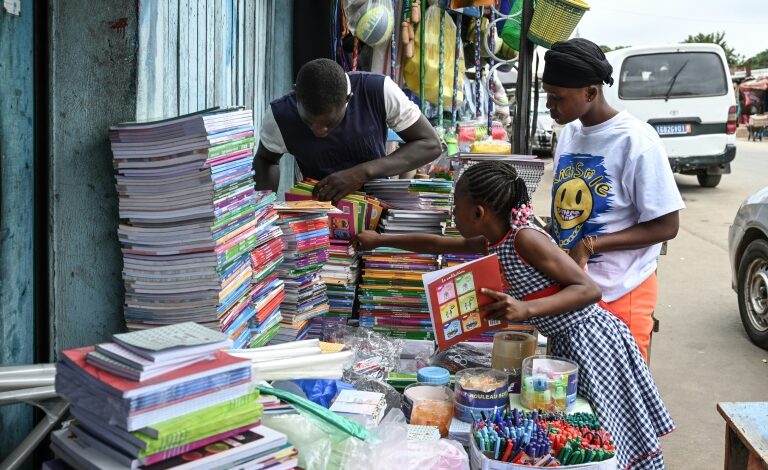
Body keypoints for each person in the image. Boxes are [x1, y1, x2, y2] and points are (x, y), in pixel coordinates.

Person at [355, 161, 674, 469]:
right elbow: (438, 242)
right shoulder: (496, 240)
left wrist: (525, 309)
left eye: (456, 209)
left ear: (479, 213)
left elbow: (588, 290)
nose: (453, 216)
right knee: (581, 430)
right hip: (567, 339)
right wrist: (382, 240)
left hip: (592, 338)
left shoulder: (524, 238)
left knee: (608, 426)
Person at [543, 38, 685, 362]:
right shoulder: (569, 133)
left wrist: (591, 244)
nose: (550, 106)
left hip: (621, 292)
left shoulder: (635, 140)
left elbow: (667, 225)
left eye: (557, 97)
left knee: (623, 400)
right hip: (572, 292)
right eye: (547, 95)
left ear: (590, 92)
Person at [255, 58, 441, 204]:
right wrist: (265, 214)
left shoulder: (377, 91)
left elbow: (430, 144)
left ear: (348, 99)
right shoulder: (280, 116)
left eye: (329, 123)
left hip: (378, 217)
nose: (319, 131)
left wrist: (360, 174)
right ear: (297, 97)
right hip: (318, 222)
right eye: (309, 122)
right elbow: (266, 160)